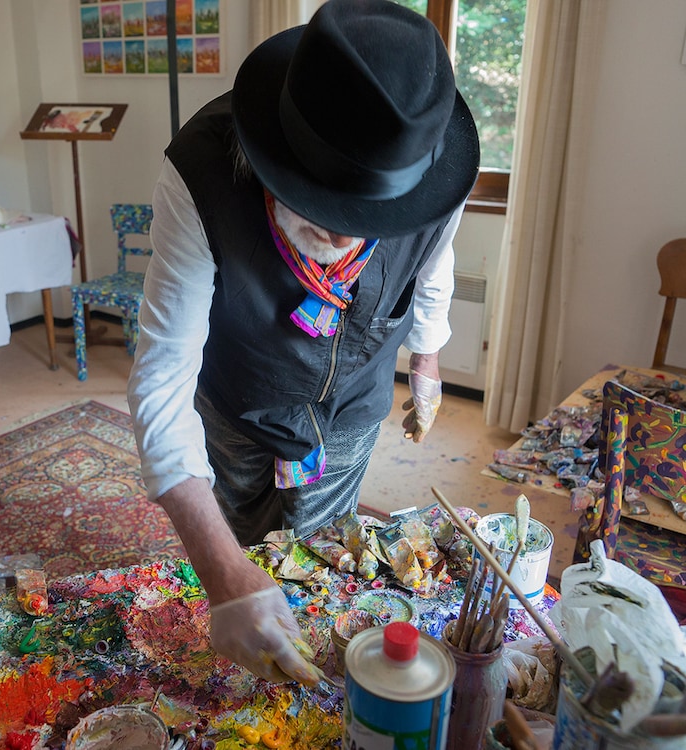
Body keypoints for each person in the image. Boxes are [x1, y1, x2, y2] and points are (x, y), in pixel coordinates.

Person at [127, 0, 479, 685]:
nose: (343, 234)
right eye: (322, 205)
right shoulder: (199, 173)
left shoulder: (436, 174)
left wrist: (427, 363)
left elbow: (434, 267)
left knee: (324, 564)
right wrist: (225, 575)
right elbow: (162, 375)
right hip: (235, 401)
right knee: (244, 543)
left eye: (370, 213)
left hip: (351, 409)